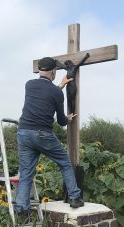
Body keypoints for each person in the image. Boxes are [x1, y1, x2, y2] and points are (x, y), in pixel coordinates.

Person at [14, 57, 84, 215]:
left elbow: (44, 94)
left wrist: (60, 85)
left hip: (23, 132)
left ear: (40, 70)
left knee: (25, 173)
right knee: (65, 163)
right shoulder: (56, 94)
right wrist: (67, 118)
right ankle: (74, 197)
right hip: (42, 134)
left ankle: (21, 209)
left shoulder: (29, 85)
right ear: (53, 72)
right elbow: (61, 122)